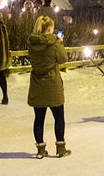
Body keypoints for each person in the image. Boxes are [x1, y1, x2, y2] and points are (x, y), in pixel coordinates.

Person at [27, 15, 70, 159]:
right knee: (59, 117)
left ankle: (40, 149)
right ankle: (60, 148)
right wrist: (60, 43)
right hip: (52, 84)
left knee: (39, 119)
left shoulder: (32, 43)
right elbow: (63, 59)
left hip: (37, 83)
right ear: (50, 28)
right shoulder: (55, 43)